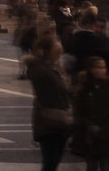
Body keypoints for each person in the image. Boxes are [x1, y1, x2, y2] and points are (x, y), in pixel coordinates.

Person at [26, 38, 75, 171]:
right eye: (56, 51)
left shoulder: (55, 68)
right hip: (48, 119)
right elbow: (60, 88)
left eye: (61, 50)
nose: (59, 54)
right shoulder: (41, 69)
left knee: (54, 160)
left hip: (61, 118)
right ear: (46, 52)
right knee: (50, 160)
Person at [71, 56, 109, 171]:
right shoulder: (83, 88)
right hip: (88, 135)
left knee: (105, 165)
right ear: (90, 69)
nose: (102, 70)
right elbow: (78, 111)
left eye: (103, 67)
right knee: (91, 165)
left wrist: (104, 128)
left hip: (107, 134)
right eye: (98, 67)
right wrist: (89, 125)